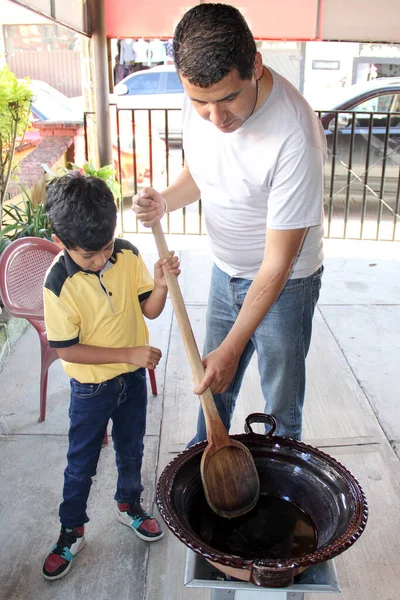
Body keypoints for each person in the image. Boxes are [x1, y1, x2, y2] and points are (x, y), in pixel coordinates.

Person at [132, 3, 326, 444]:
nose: (216, 119)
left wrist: (235, 344)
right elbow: (201, 173)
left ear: (254, 66)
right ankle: (208, 463)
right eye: (200, 102)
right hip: (226, 272)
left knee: (279, 406)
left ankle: (283, 477)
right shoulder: (199, 101)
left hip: (288, 283)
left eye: (227, 99)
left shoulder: (295, 134)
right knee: (212, 386)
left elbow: (277, 265)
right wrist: (164, 200)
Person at [42, 173, 180, 580]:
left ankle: (129, 505)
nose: (102, 260)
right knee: (80, 463)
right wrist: (128, 353)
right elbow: (66, 348)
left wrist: (160, 284)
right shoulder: (58, 283)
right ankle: (71, 529)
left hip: (132, 381)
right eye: (90, 256)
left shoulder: (127, 254)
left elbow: (150, 310)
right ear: (60, 241)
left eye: (106, 248)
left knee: (131, 449)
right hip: (90, 388)